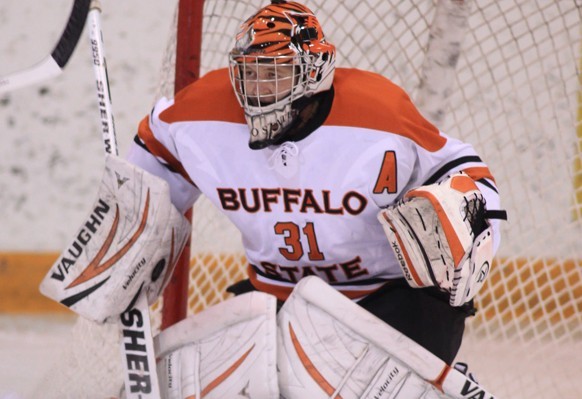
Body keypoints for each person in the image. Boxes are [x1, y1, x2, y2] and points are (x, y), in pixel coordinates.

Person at [126, 0, 505, 367]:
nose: (258, 89)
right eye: (250, 73)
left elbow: (461, 167)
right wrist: (130, 222)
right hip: (276, 299)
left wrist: (473, 224)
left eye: (274, 73)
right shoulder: (202, 113)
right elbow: (156, 147)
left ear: (314, 70)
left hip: (388, 301)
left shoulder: (377, 116)